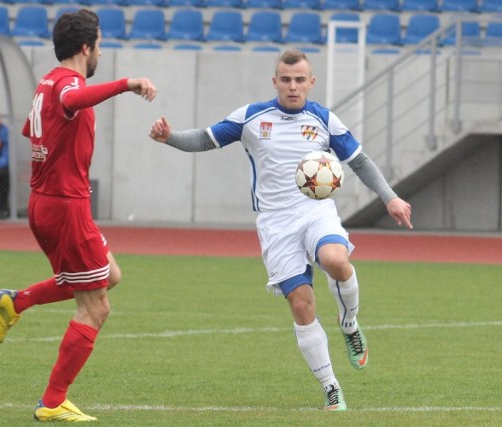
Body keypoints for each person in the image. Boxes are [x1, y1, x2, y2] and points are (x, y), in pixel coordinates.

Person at [149, 50, 413, 411]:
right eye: (286, 80)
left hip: (316, 210)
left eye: (300, 80)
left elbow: (360, 161)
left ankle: (349, 323)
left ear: (311, 82)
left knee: (336, 260)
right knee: (301, 304)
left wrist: (391, 198)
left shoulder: (323, 119)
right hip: (275, 224)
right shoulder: (252, 118)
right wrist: (169, 137)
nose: (293, 86)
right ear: (275, 81)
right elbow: (206, 138)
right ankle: (331, 386)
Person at [0, 9, 157, 422]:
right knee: (96, 308)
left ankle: (18, 300)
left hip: (48, 202)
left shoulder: (46, 81)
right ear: (86, 47)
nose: (100, 49)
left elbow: (34, 130)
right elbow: (71, 101)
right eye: (99, 43)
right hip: (65, 206)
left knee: (109, 277)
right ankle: (52, 402)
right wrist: (127, 84)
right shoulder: (67, 84)